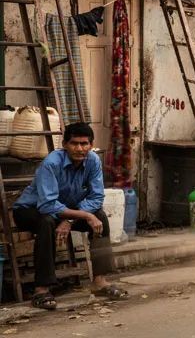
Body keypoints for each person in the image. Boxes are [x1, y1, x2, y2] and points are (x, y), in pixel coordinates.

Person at [13, 123, 129, 310]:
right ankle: (41, 290)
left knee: (99, 217)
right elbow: (47, 205)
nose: (80, 149)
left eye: (84, 144)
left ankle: (99, 281)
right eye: (74, 143)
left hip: (66, 210)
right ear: (65, 144)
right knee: (47, 222)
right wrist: (81, 215)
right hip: (30, 210)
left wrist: (70, 219)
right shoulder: (51, 163)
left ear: (91, 144)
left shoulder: (92, 161)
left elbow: (96, 197)